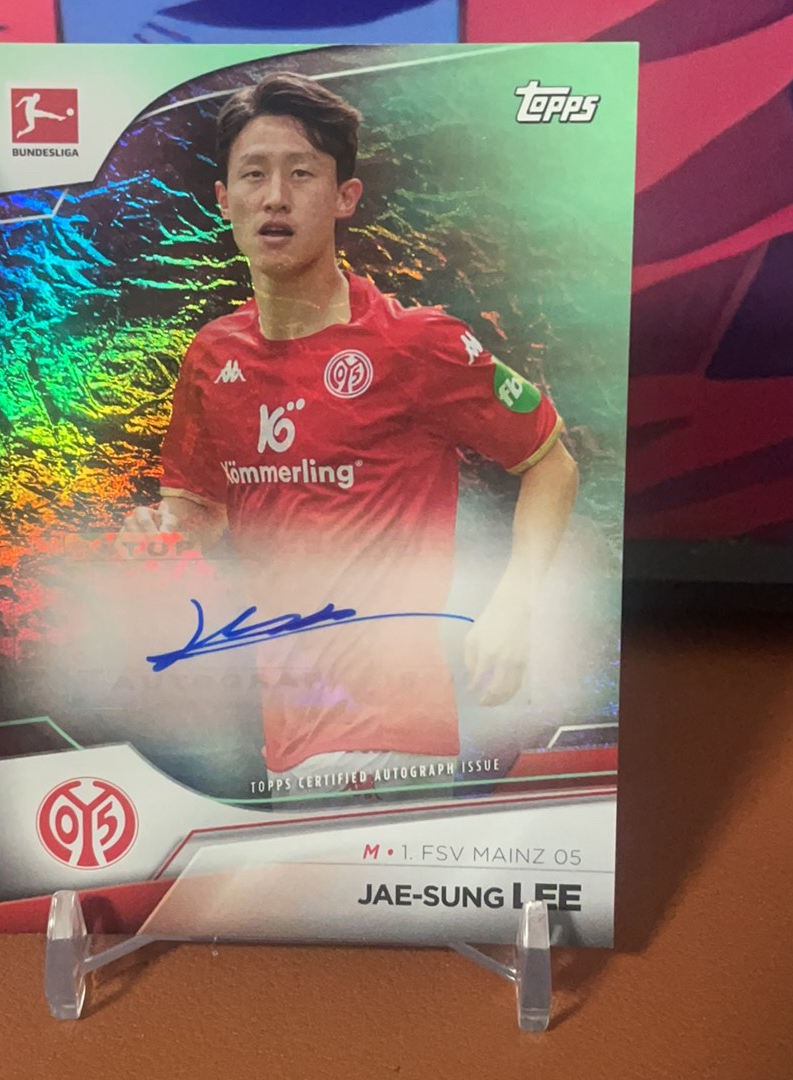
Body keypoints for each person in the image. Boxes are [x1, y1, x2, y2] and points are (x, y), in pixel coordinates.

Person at [120, 72, 579, 801]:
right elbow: (199, 510)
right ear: (224, 200)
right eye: (254, 174)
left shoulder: (415, 344)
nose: (276, 196)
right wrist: (157, 533)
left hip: (399, 741)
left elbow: (551, 463)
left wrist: (514, 607)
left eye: (301, 174)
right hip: (286, 743)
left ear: (345, 197)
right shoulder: (212, 356)